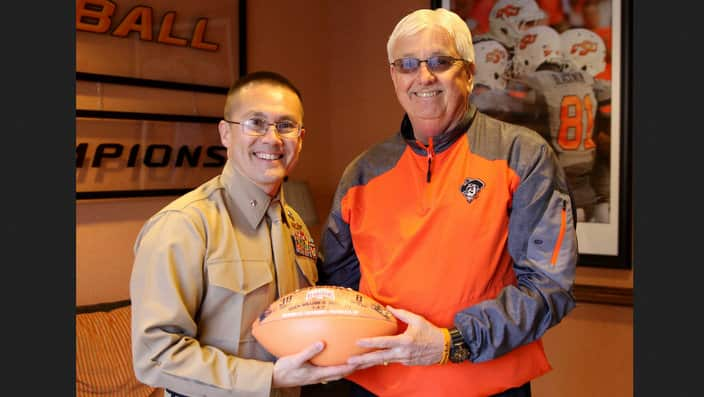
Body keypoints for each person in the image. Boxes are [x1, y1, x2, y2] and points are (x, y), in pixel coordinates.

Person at [318, 8, 577, 397]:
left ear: (469, 73)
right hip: (376, 385)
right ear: (393, 76)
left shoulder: (523, 155)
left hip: (488, 385)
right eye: (407, 64)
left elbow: (548, 286)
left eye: (440, 62)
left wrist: (449, 342)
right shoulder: (362, 172)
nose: (423, 76)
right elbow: (339, 283)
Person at [130, 71, 356, 397]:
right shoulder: (184, 226)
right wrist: (270, 377)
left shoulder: (294, 225)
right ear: (225, 133)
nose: (272, 139)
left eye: (286, 125)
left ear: (301, 138)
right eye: (256, 123)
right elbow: (156, 356)